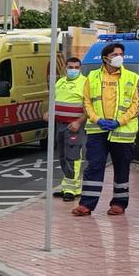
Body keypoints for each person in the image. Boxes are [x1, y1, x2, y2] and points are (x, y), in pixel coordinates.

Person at [74, 42, 139, 216]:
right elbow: (86, 101)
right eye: (115, 54)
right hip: (97, 131)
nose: (119, 57)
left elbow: (137, 105)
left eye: (121, 53)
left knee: (121, 168)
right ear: (105, 58)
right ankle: (86, 205)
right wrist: (97, 119)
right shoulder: (92, 77)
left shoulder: (132, 77)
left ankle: (119, 204)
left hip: (122, 132)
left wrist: (119, 122)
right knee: (94, 166)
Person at [45, 57, 86, 202]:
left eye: (76, 67)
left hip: (74, 126)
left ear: (80, 69)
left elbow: (90, 108)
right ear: (65, 68)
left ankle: (71, 189)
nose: (73, 70)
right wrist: (50, 112)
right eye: (70, 67)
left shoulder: (85, 83)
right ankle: (67, 186)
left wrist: (79, 122)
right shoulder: (60, 82)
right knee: (62, 156)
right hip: (61, 124)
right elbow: (55, 102)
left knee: (73, 157)